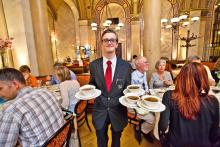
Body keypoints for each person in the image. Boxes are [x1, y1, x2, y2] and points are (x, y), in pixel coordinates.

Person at [158, 62, 219, 147]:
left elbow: (163, 126)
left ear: (181, 77)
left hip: (175, 143)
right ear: (203, 78)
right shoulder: (213, 101)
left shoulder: (169, 95)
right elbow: (214, 134)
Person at [89, 29, 132, 147]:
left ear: (116, 44)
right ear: (102, 43)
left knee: (116, 142)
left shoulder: (126, 66)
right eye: (106, 40)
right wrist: (88, 91)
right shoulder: (94, 65)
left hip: (118, 110)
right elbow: (92, 83)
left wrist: (133, 98)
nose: (109, 42)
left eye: (112, 40)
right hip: (100, 110)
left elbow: (128, 88)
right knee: (101, 142)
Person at [0, 68, 64, 146]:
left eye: (0, 88)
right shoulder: (45, 91)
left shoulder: (11, 111)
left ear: (15, 84)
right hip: (62, 142)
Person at [131, 56, 155, 143]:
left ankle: (142, 128)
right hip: (135, 104)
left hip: (144, 101)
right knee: (152, 119)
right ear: (138, 65)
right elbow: (132, 96)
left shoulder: (143, 73)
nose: (148, 63)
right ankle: (142, 130)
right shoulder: (133, 77)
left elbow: (145, 85)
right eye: (145, 62)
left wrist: (148, 93)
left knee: (157, 113)